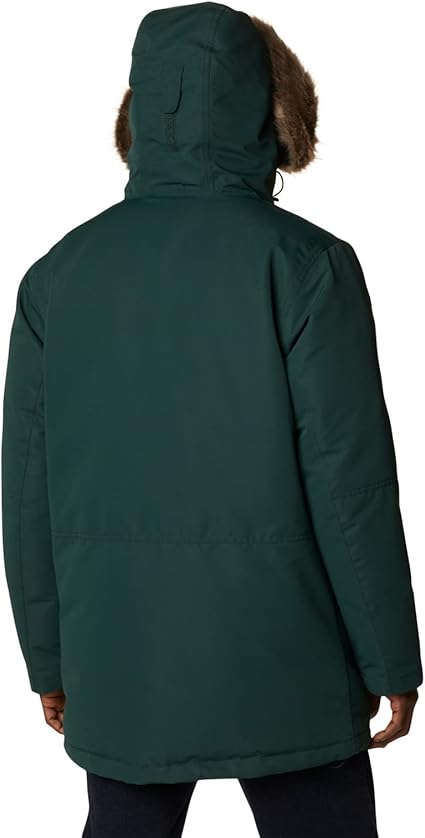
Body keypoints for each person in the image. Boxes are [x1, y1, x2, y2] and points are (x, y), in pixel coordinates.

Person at [2, 3, 422, 837]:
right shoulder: (305, 263)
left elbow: (27, 489)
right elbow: (350, 483)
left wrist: (49, 658)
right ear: (275, 108)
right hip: (289, 653)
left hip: (121, 657)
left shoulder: (59, 273)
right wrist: (390, 659)